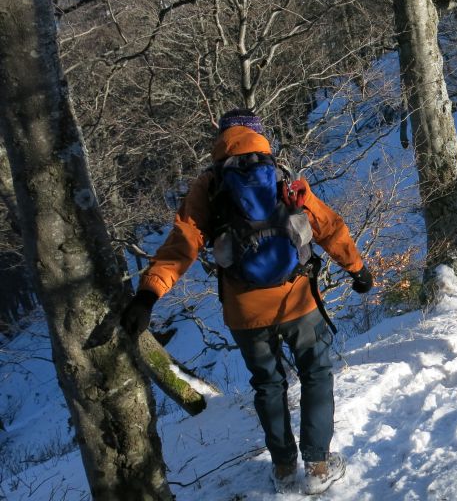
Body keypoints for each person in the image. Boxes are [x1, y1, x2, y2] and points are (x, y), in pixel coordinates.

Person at [119, 109, 373, 495]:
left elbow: (182, 243)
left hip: (244, 310)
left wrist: (148, 293)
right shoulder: (282, 175)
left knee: (268, 385)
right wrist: (357, 269)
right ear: (260, 136)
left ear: (222, 139)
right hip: (297, 299)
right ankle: (318, 467)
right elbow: (327, 226)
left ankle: (285, 469)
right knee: (316, 374)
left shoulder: (210, 185)